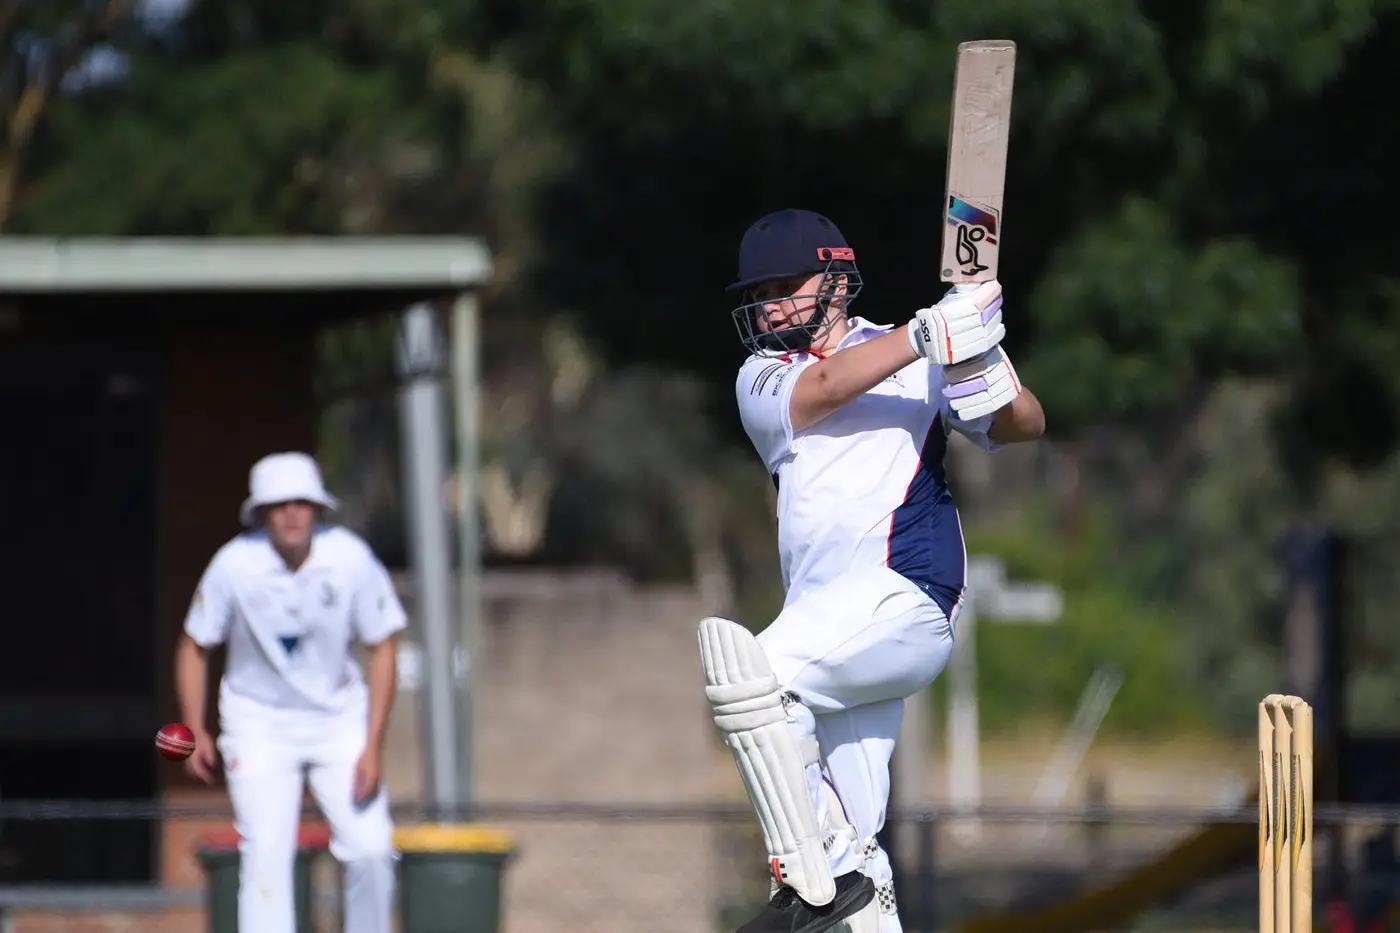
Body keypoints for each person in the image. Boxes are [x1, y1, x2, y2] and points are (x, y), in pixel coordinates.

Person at [698, 209, 1045, 933]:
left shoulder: (921, 359)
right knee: (856, 835)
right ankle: (845, 881)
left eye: (786, 285)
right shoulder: (762, 376)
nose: (769, 305)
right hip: (827, 626)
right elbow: (824, 388)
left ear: (835, 280)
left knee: (757, 671)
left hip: (908, 597)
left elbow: (1024, 426)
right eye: (759, 292)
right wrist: (925, 334)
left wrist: (981, 358)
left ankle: (812, 879)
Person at [174, 451, 406, 933]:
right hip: (258, 725)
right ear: (261, 512)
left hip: (338, 722)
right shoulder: (234, 565)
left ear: (318, 508)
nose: (292, 514)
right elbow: (195, 645)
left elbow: (383, 646)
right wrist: (194, 727)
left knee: (372, 850)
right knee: (266, 855)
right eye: (279, 504)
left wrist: (372, 744)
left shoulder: (349, 558)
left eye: (303, 502)